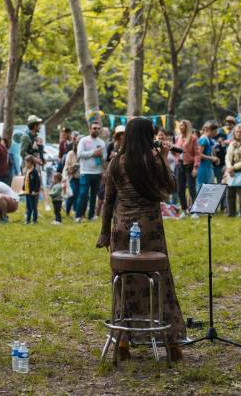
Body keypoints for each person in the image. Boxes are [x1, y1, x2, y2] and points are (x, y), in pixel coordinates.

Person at [97, 117, 185, 361]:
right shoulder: (153, 161)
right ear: (148, 136)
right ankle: (171, 343)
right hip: (149, 230)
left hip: (122, 230)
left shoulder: (116, 162)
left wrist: (104, 232)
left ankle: (122, 341)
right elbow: (172, 187)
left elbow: (108, 201)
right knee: (159, 283)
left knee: (123, 283)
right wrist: (165, 158)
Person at [75, 122, 106, 222]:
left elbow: (104, 157)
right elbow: (79, 154)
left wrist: (101, 156)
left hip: (97, 172)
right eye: (94, 128)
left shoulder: (102, 143)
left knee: (94, 195)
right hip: (85, 172)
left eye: (98, 128)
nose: (96, 130)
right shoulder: (84, 140)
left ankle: (91, 215)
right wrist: (93, 153)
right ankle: (78, 216)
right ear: (89, 129)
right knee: (83, 193)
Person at [224, 125, 241, 217]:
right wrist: (229, 167)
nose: (239, 133)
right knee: (230, 193)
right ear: (234, 133)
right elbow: (227, 157)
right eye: (237, 132)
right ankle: (230, 213)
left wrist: (234, 167)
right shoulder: (232, 144)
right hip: (231, 170)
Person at [175, 120, 200, 212]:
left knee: (191, 188)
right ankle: (184, 209)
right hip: (180, 165)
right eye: (180, 125)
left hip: (189, 166)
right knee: (180, 189)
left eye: (182, 126)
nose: (180, 127)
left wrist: (195, 167)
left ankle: (195, 211)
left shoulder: (193, 138)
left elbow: (197, 154)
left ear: (187, 127)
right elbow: (176, 152)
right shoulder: (178, 138)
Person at [193, 121, 220, 195]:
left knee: (209, 191)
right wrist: (212, 158)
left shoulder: (209, 140)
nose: (216, 133)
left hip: (208, 168)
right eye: (215, 131)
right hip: (203, 169)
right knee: (202, 191)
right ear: (210, 130)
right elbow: (199, 155)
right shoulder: (204, 139)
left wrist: (215, 158)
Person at [62, 138, 81, 217]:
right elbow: (66, 167)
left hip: (80, 177)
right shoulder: (71, 153)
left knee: (78, 195)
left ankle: (76, 212)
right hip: (71, 177)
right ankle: (67, 210)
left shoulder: (82, 154)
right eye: (78, 143)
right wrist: (75, 165)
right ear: (75, 145)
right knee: (72, 194)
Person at [23, 154, 41, 224]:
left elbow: (38, 182)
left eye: (27, 162)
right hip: (27, 192)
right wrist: (23, 187)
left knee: (33, 207)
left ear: (31, 163)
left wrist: (35, 190)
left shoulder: (34, 172)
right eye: (25, 162)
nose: (26, 164)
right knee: (28, 207)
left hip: (32, 193)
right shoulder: (27, 171)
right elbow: (25, 180)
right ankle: (28, 220)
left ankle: (34, 220)